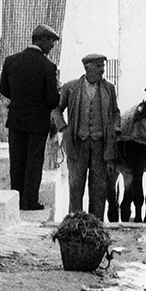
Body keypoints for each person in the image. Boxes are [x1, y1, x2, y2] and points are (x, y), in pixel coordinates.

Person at [0, 24, 61, 210]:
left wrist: (19, 99)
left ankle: (15, 199)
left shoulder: (11, 61)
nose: (51, 47)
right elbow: (53, 100)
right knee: (34, 161)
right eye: (51, 42)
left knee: (17, 160)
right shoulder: (48, 67)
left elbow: (4, 89)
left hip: (16, 119)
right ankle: (29, 201)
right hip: (37, 123)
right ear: (41, 40)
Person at [52, 53, 121, 220]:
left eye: (103, 67)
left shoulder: (109, 89)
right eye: (98, 67)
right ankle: (75, 223)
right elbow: (56, 110)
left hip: (101, 146)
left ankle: (95, 223)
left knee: (99, 188)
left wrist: (115, 129)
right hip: (77, 144)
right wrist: (63, 128)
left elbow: (115, 113)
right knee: (76, 185)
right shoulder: (71, 88)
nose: (102, 71)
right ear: (88, 68)